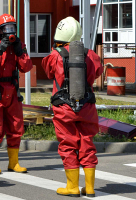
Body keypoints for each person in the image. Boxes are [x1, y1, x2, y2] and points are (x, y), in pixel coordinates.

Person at [42, 17, 103, 197]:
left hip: (64, 108)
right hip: (87, 107)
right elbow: (98, 71)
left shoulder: (55, 55)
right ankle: (90, 187)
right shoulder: (91, 54)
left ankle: (72, 187)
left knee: (68, 145)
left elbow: (47, 71)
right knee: (87, 144)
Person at [0, 14, 33, 174]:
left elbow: (27, 67)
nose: (10, 32)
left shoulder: (18, 46)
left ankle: (13, 163)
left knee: (16, 126)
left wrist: (20, 52)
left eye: (12, 28)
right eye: (6, 28)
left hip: (13, 89)